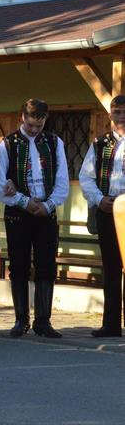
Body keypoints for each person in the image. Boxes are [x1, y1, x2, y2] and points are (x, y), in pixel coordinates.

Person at [0, 99, 69, 339]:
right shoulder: (8, 144)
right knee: (19, 265)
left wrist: (48, 205)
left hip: (46, 212)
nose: (34, 129)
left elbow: (62, 180)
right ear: (22, 118)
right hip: (18, 213)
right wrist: (24, 201)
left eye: (39, 125)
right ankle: (21, 320)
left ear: (46, 120)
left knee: (46, 265)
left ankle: (43, 321)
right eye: (30, 125)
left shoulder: (54, 142)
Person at [80, 95, 125, 338]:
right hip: (108, 210)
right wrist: (99, 200)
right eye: (117, 112)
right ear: (110, 115)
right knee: (111, 267)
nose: (121, 117)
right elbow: (86, 177)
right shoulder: (99, 143)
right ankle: (111, 324)